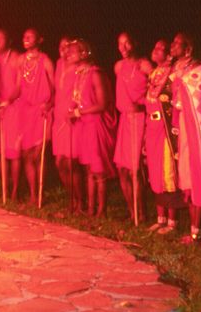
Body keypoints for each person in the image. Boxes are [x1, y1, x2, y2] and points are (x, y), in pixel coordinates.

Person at [168, 33, 201, 244]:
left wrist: (180, 87)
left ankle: (196, 230)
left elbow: (199, 102)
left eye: (178, 43)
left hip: (198, 131)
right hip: (185, 130)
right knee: (186, 175)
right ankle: (192, 227)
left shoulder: (199, 71)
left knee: (197, 175)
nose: (173, 45)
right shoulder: (178, 71)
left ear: (188, 49)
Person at [67, 40, 116, 217]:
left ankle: (101, 210)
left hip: (96, 124)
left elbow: (102, 104)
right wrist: (72, 111)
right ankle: (90, 209)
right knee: (88, 169)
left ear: (84, 53)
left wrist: (79, 113)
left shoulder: (95, 74)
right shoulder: (79, 74)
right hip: (84, 126)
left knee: (98, 169)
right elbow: (78, 98)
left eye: (73, 51)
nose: (69, 54)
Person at [144, 39, 183, 234]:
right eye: (155, 46)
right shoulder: (153, 73)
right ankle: (160, 218)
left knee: (168, 173)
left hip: (166, 128)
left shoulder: (173, 75)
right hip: (152, 127)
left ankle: (172, 221)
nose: (155, 50)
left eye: (161, 48)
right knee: (155, 173)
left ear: (169, 55)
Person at [112, 32, 151, 223]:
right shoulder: (118, 67)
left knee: (136, 170)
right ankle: (131, 211)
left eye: (127, 43)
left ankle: (142, 213)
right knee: (122, 169)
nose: (123, 48)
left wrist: (143, 104)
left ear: (134, 44)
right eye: (120, 44)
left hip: (139, 118)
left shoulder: (144, 65)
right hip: (124, 120)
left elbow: (156, 91)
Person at [13, 28, 54, 204]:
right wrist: (6, 101)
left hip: (41, 110)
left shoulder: (46, 61)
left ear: (39, 39)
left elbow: (54, 88)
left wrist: (49, 104)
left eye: (29, 36)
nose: (25, 38)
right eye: (24, 36)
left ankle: (40, 192)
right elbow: (17, 87)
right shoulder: (20, 61)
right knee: (27, 154)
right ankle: (32, 194)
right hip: (25, 110)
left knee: (39, 154)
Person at [0, 29, 20, 199]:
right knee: (1, 150)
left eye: (1, 39)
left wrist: (7, 101)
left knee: (13, 151)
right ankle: (4, 187)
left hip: (13, 107)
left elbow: (19, 85)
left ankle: (14, 190)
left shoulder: (15, 58)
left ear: (8, 42)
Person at [53, 36, 82, 211]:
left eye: (67, 47)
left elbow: (79, 93)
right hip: (58, 116)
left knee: (71, 162)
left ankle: (80, 201)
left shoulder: (78, 68)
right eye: (61, 47)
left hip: (71, 117)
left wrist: (74, 110)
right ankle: (71, 197)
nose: (64, 51)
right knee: (59, 162)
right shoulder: (58, 64)